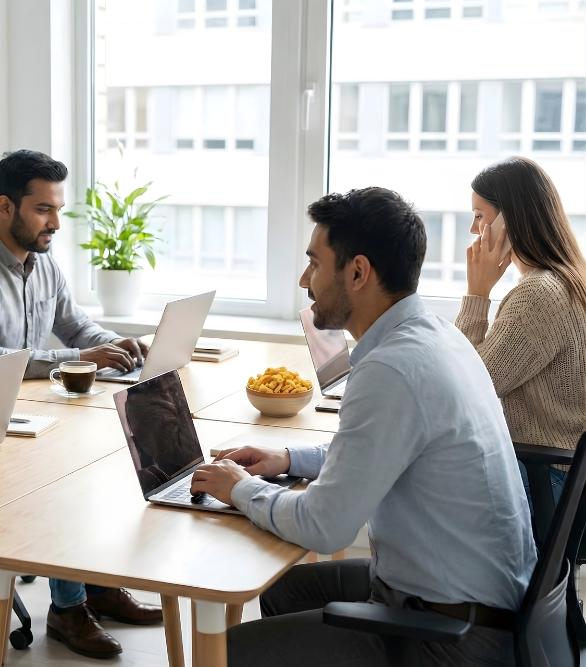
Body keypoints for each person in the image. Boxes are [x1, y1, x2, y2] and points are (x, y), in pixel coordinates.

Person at [190, 187, 537, 667]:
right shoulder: (435, 336)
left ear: (357, 272)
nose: (303, 280)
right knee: (286, 592)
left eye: (315, 263)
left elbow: (324, 526)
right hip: (484, 602)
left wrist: (242, 489)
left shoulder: (391, 369)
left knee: (225, 653)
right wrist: (288, 460)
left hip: (458, 636)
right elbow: (381, 449)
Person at [0, 149, 161, 658]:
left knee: (107, 451)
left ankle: (95, 587)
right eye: (43, 210)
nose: (55, 222)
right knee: (65, 475)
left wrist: (120, 347)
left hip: (29, 409)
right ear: (5, 207)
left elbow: (78, 326)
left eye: (57, 209)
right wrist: (82, 356)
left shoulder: (43, 262)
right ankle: (68, 609)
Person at [456, 157, 586, 508]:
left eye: (479, 215)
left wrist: (476, 295)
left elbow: (464, 389)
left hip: (550, 483)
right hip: (568, 479)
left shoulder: (539, 294)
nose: (473, 229)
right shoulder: (565, 278)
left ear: (509, 220)